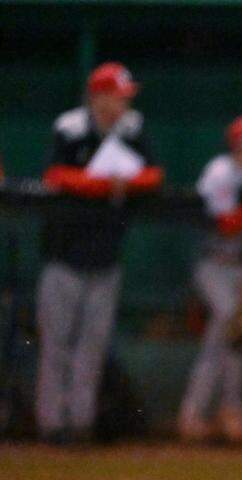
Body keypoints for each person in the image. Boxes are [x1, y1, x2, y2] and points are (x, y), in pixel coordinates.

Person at [37, 62, 163, 443]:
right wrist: (105, 184)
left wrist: (110, 183)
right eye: (117, 95)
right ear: (98, 96)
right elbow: (56, 177)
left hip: (106, 255)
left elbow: (153, 176)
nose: (123, 103)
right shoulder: (70, 126)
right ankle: (50, 425)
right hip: (63, 254)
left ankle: (78, 425)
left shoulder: (132, 127)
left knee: (92, 346)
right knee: (57, 344)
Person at [179, 115, 242, 444]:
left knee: (238, 340)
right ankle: (196, 414)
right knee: (226, 329)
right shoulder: (221, 172)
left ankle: (225, 412)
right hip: (213, 264)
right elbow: (227, 225)